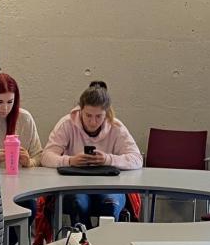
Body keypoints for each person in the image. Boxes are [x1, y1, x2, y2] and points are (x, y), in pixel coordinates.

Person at [40, 81, 143, 224]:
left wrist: (108, 159)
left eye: (98, 116)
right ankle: (84, 239)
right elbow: (46, 157)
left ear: (106, 113)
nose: (93, 122)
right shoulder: (67, 124)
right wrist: (70, 161)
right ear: (80, 109)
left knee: (111, 204)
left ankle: (104, 241)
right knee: (78, 204)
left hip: (108, 187)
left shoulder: (116, 127)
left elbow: (137, 159)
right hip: (75, 186)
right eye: (88, 115)